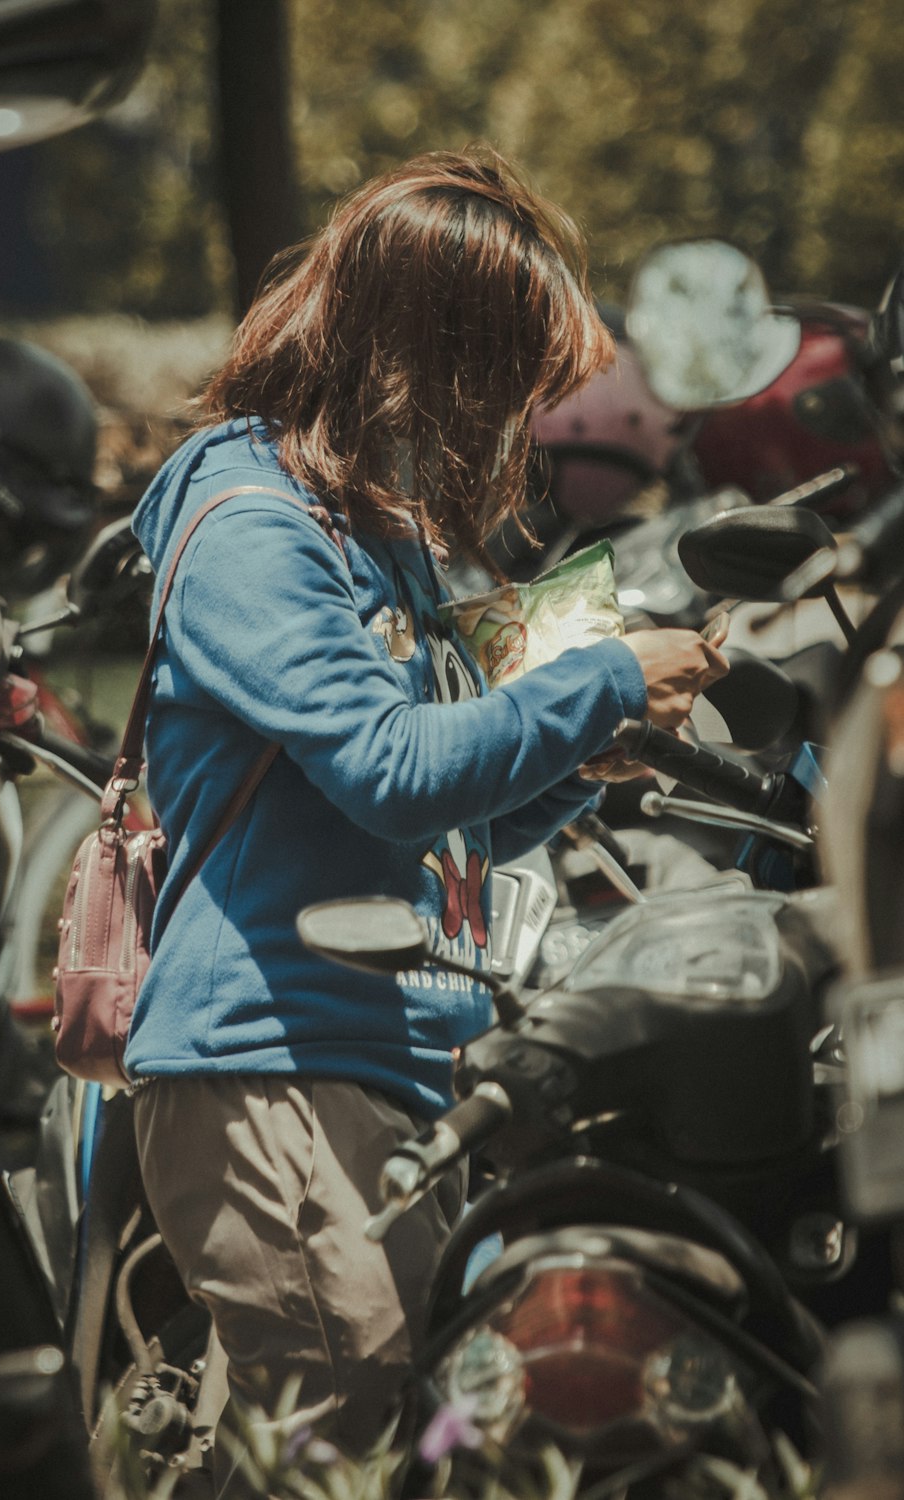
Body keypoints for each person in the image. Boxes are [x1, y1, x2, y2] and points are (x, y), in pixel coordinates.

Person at [125, 147, 727, 1489]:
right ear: (425, 352)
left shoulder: (372, 537)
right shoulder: (248, 525)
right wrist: (607, 675)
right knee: (346, 1430)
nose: (521, 419)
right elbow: (392, 765)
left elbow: (446, 833)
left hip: (390, 1070)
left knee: (398, 1446)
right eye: (506, 374)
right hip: (270, 1058)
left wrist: (593, 751)